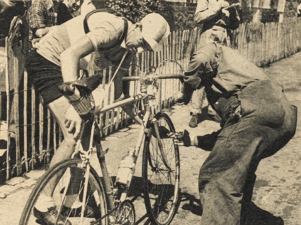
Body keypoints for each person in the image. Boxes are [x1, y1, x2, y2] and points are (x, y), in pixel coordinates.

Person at [25, 11, 170, 225]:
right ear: (137, 26)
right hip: (47, 60)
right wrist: (76, 103)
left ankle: (70, 206)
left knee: (87, 141)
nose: (139, 49)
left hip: (65, 67)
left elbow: (122, 94)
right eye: (141, 42)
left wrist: (141, 119)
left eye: (146, 47)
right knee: (73, 135)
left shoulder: (127, 52)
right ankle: (43, 204)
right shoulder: (114, 28)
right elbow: (69, 56)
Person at [183, 42, 297, 224]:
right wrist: (194, 140)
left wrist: (187, 89)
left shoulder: (210, 48)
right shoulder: (238, 77)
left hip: (258, 112)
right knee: (239, 173)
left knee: (216, 176)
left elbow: (202, 57)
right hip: (284, 119)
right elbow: (231, 137)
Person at [177, 0, 240, 128]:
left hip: (224, 37)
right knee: (202, 72)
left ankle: (213, 109)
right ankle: (195, 111)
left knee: (218, 74)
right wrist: (217, 8)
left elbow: (235, 25)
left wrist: (233, 13)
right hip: (209, 35)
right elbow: (198, 18)